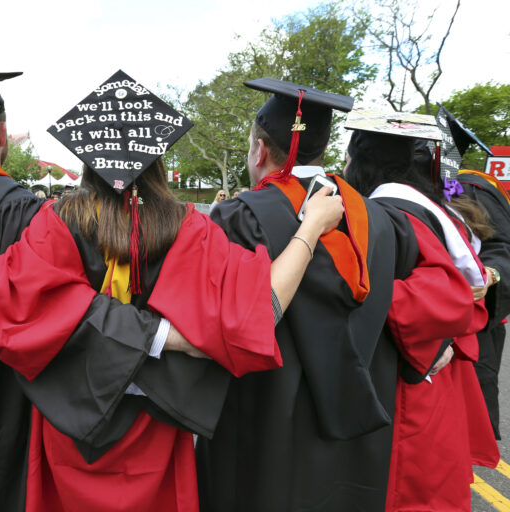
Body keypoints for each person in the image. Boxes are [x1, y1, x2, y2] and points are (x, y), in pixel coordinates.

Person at [0, 70, 343, 512]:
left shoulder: (56, 223)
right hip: (155, 430)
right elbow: (261, 310)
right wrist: (311, 228)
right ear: (159, 160)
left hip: (70, 429)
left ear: (89, 160)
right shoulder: (189, 228)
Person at [195, 78, 478, 511]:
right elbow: (439, 297)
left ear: (258, 150)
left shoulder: (238, 216)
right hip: (354, 431)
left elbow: (212, 321)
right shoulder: (385, 219)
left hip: (261, 425)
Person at [343, 119, 499, 511]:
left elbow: (440, 297)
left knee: (407, 489)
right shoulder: (434, 212)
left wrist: (339, 283)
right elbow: (466, 296)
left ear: (361, 162)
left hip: (408, 382)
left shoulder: (388, 215)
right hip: (436, 374)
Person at [439, 106, 510, 440]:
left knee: (463, 422)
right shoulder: (419, 188)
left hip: (473, 320)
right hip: (429, 319)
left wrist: (490, 274)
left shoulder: (469, 187)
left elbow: (500, 247)